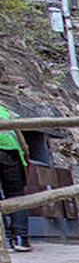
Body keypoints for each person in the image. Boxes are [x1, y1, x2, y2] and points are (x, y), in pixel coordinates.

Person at [0, 103, 31, 252]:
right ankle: (21, 239)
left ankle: (6, 241)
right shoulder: (4, 108)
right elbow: (21, 140)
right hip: (11, 152)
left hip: (9, 151)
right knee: (16, 195)